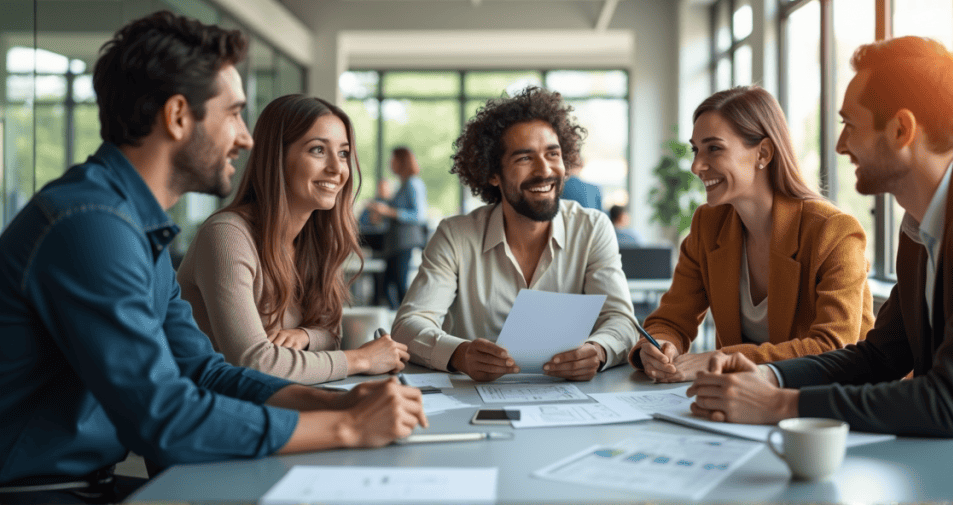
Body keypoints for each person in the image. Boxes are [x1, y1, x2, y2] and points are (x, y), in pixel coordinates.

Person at [0, 12, 426, 503]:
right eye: (233, 114)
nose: (245, 137)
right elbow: (164, 417)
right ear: (179, 116)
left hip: (84, 484)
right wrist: (347, 426)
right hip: (36, 491)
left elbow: (204, 371)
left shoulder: (137, 226)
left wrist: (344, 399)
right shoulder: (91, 225)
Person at [688, 37, 953, 455]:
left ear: (902, 129)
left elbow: (949, 402)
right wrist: (770, 378)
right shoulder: (921, 222)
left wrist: (780, 404)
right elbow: (879, 357)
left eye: (850, 124)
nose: (840, 145)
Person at [391, 86, 638, 382]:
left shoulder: (592, 228)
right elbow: (408, 326)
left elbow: (622, 321)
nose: (544, 170)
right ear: (493, 173)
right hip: (472, 401)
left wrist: (598, 351)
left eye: (553, 154)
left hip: (572, 398)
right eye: (524, 158)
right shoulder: (455, 235)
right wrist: (460, 354)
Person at [629, 86, 874, 382]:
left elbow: (834, 348)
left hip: (825, 406)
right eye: (696, 150)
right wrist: (659, 347)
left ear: (764, 153)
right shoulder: (708, 225)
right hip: (742, 404)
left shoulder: (833, 231)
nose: (696, 166)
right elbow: (671, 319)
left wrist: (724, 359)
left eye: (714, 148)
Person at [177, 95, 409, 385]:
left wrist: (305, 336)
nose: (337, 169)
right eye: (317, 150)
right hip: (212, 414)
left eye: (343, 153)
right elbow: (254, 363)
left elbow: (330, 334)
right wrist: (361, 359)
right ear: (277, 158)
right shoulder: (226, 236)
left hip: (273, 404)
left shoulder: (316, 240)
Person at [368, 147, 428, 309]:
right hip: (395, 243)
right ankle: (399, 320)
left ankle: (407, 321)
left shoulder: (413, 184)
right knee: (388, 284)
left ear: (401, 161)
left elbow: (419, 215)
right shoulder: (402, 185)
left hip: (404, 243)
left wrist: (388, 211)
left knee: (399, 285)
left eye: (393, 160)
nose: (390, 163)